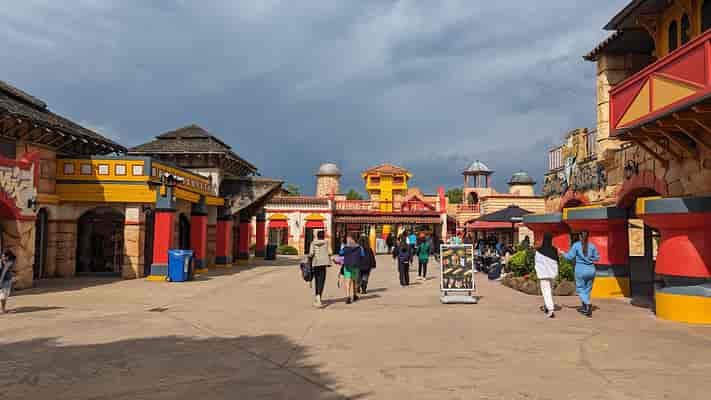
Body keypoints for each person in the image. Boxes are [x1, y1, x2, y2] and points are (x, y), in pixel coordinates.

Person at [562, 231, 600, 318]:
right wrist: (590, 258)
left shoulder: (576, 245)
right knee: (587, 290)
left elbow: (569, 257)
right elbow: (597, 258)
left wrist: (562, 253)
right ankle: (585, 308)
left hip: (580, 270)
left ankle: (587, 304)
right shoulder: (592, 246)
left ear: (580, 236)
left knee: (580, 289)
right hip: (591, 270)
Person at [535, 232, 559, 318]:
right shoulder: (554, 249)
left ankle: (550, 309)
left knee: (546, 292)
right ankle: (547, 306)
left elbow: (537, 262)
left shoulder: (538, 250)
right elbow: (557, 261)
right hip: (552, 274)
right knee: (550, 291)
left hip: (543, 274)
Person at [308, 230, 331, 308]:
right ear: (323, 236)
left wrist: (309, 257)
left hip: (316, 263)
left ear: (317, 236)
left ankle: (317, 297)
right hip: (324, 264)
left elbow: (311, 253)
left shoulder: (313, 243)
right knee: (322, 280)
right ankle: (319, 296)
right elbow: (330, 252)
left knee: (316, 280)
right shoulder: (327, 242)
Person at [339, 235, 364, 304]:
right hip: (356, 266)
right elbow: (362, 255)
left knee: (348, 281)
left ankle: (348, 297)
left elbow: (340, 253)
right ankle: (355, 295)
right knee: (354, 281)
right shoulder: (360, 248)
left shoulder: (345, 248)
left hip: (347, 266)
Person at [0, 250, 16, 314]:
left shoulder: (10, 262)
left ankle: (3, 309)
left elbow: (4, 272)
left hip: (6, 280)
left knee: (4, 295)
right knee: (3, 295)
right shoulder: (2, 261)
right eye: (2, 256)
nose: (2, 257)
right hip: (4, 280)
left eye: (4, 256)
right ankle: (3, 310)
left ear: (8, 256)